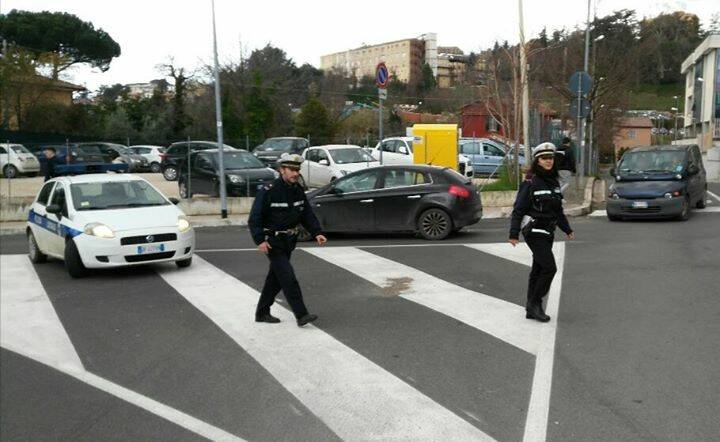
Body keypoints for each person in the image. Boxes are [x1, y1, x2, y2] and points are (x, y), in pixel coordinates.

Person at [248, 153, 328, 327]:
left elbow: (306, 213)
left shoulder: (297, 189)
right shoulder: (268, 190)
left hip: (289, 241)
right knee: (288, 278)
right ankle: (301, 315)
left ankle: (262, 312)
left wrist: (316, 232)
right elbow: (254, 218)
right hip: (273, 242)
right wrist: (259, 240)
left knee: (275, 279)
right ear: (281, 170)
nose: (295, 173)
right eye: (291, 170)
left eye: (297, 170)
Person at [509, 142, 574, 322]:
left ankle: (531, 308)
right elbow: (519, 209)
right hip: (534, 230)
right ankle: (535, 304)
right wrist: (514, 233)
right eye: (544, 158)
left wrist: (567, 229)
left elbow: (557, 211)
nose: (548, 161)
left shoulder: (553, 182)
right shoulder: (531, 182)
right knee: (549, 268)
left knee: (538, 269)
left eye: (551, 158)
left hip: (548, 231)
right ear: (537, 161)